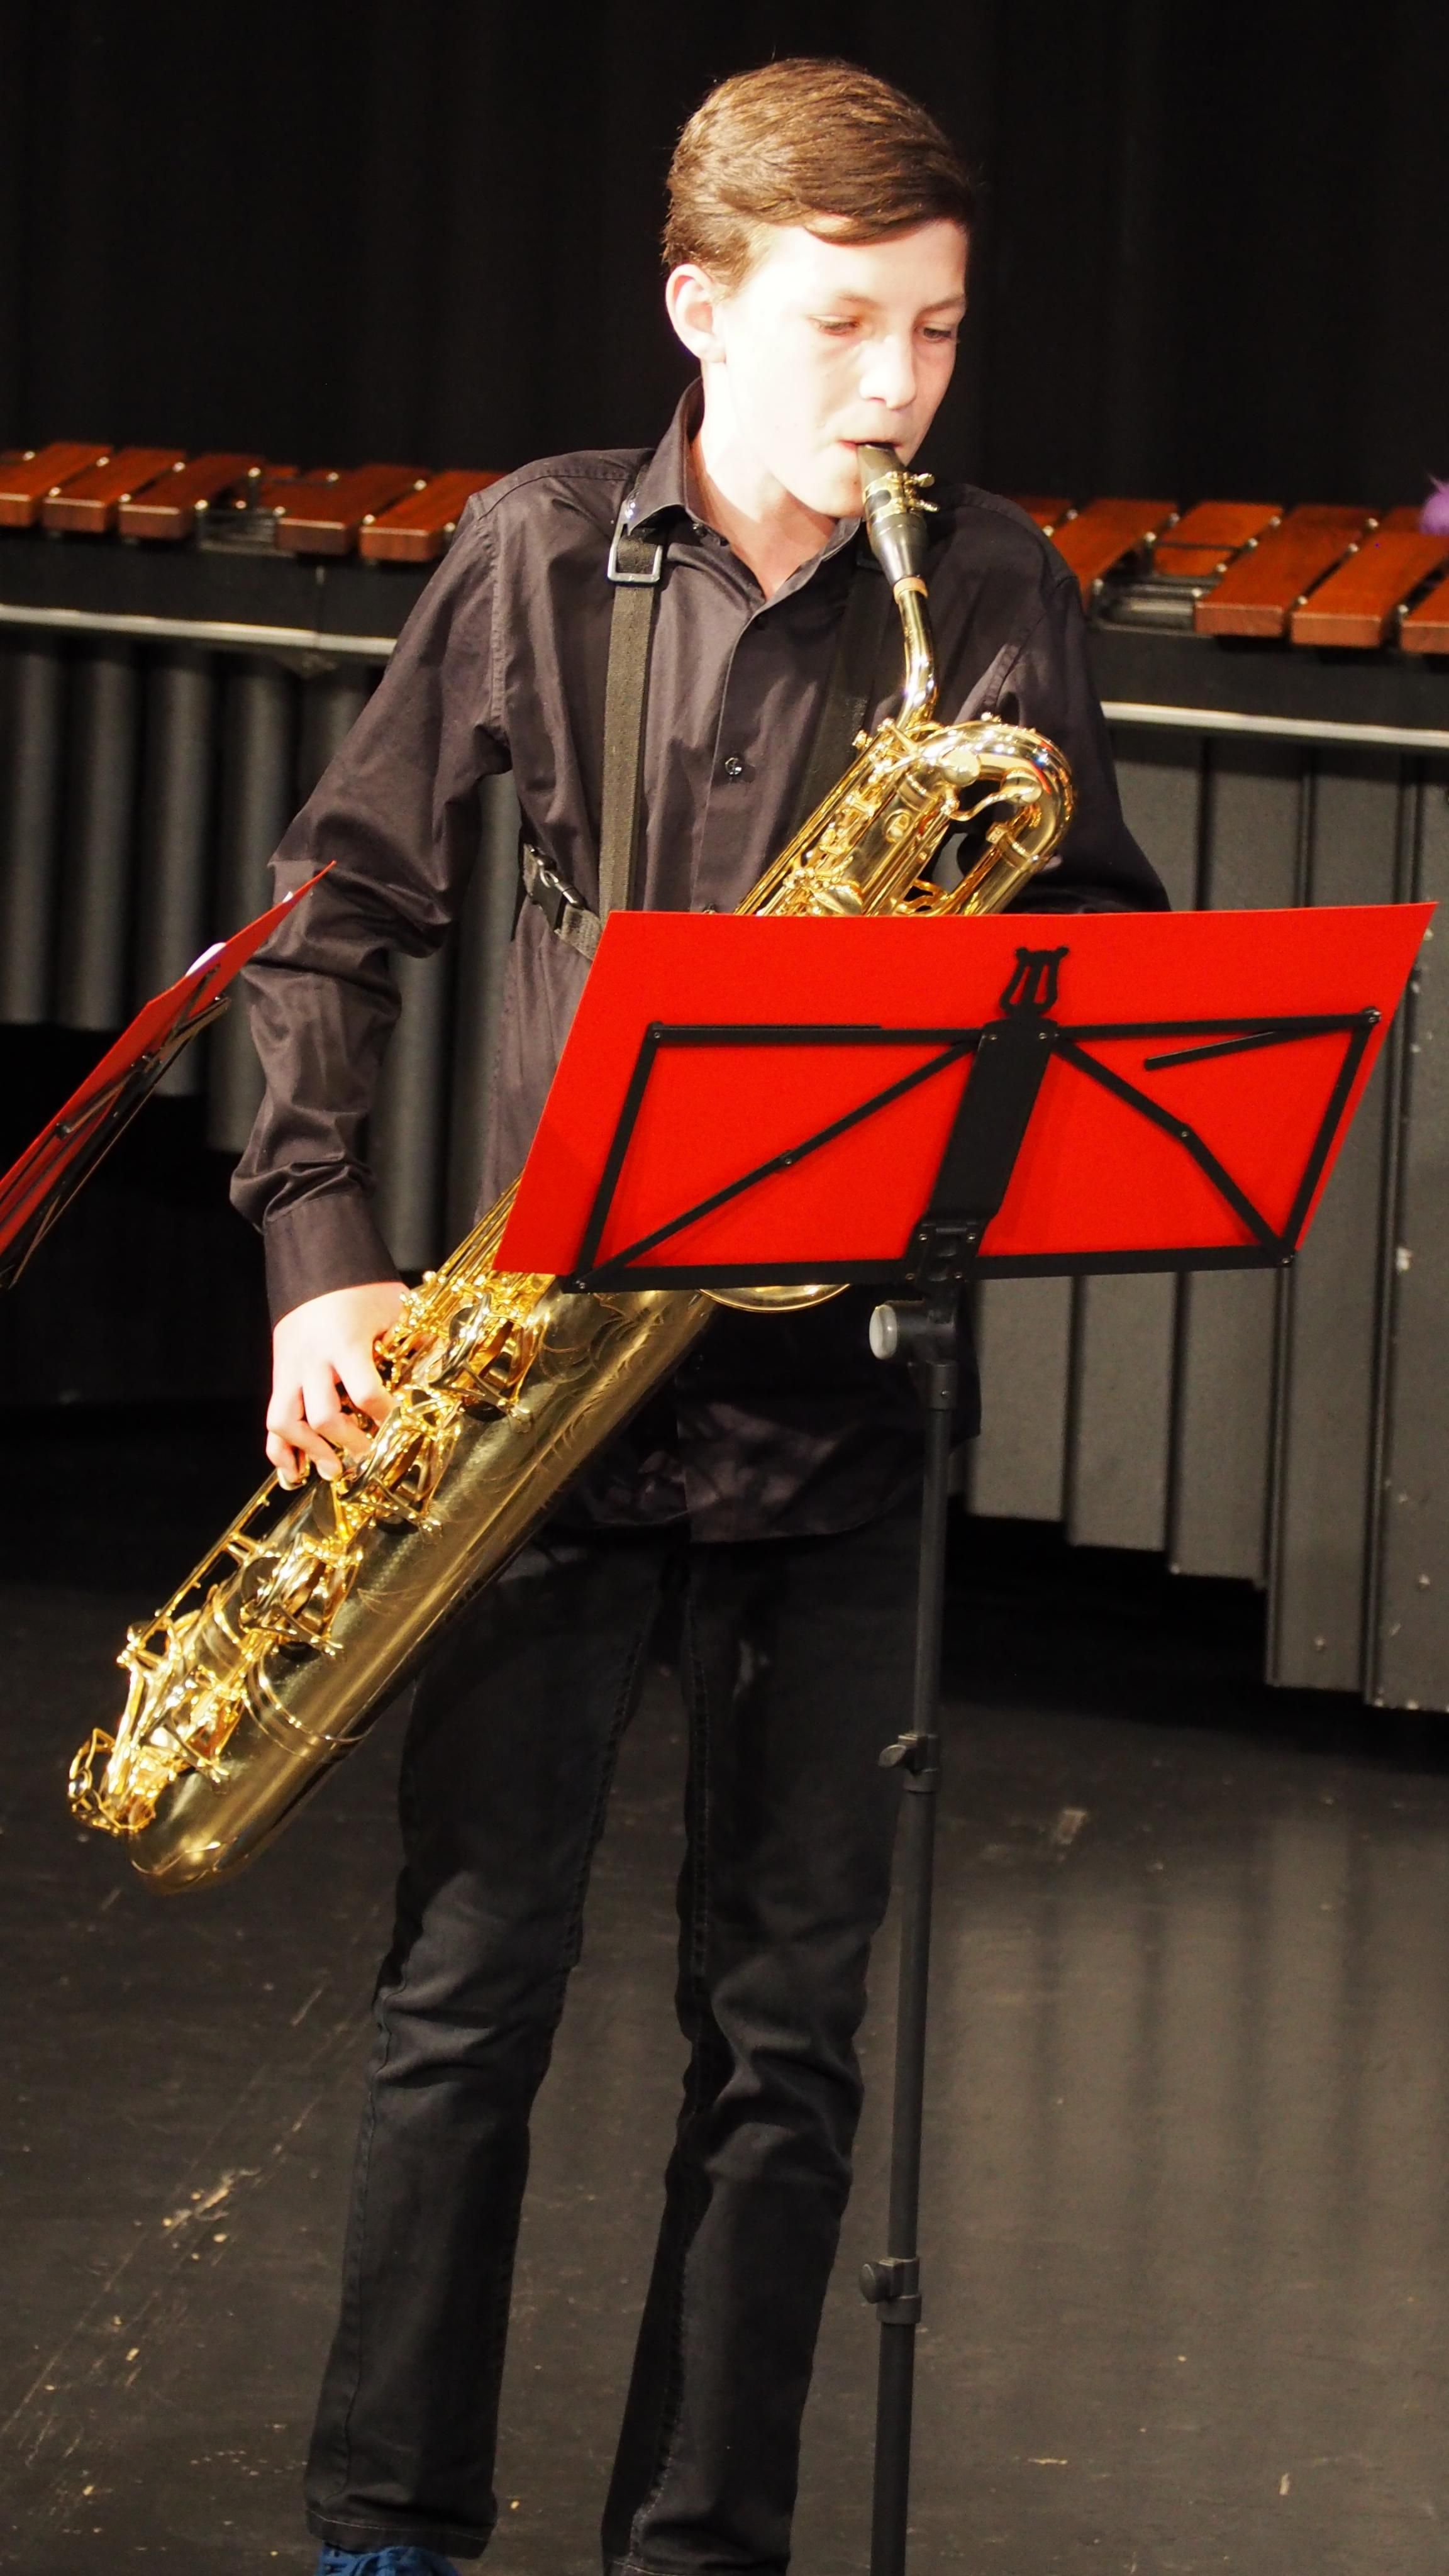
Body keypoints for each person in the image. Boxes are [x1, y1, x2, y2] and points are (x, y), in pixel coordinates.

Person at [233, 57, 1165, 2576]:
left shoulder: (994, 589)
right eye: (845, 324)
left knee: (786, 2045)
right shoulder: (544, 550)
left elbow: (1108, 958)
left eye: (938, 331)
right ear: (699, 305)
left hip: (840, 1409)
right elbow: (329, 926)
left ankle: (701, 2545)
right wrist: (324, 1258)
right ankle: (389, 2529)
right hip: (540, 1395)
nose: (899, 387)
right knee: (467, 2000)